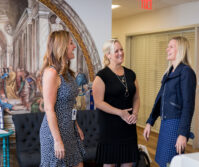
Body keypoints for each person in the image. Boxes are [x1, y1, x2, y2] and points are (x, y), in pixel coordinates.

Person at [143, 36, 196, 167]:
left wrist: (183, 134)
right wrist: (150, 122)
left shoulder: (186, 72)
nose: (167, 49)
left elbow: (188, 105)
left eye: (171, 46)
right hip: (166, 123)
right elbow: (159, 99)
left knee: (172, 162)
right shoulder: (169, 72)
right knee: (163, 162)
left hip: (176, 124)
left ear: (181, 50)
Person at [39, 30, 85, 167]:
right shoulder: (51, 73)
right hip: (55, 133)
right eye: (71, 43)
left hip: (70, 131)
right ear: (62, 46)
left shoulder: (67, 73)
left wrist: (76, 126)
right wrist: (57, 140)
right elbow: (48, 108)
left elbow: (70, 106)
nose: (74, 46)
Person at [92, 39, 140, 167]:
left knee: (128, 162)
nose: (120, 53)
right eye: (116, 51)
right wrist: (120, 113)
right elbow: (98, 102)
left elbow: (136, 97)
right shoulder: (101, 76)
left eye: (121, 49)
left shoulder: (131, 74)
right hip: (109, 127)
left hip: (128, 125)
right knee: (110, 163)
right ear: (108, 55)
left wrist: (134, 113)